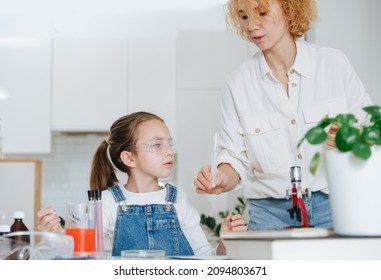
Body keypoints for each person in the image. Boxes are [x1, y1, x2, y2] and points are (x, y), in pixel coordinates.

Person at [193, 0, 373, 230]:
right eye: (244, 16)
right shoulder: (237, 83)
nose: (251, 26)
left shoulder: (333, 64)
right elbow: (234, 158)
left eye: (262, 13)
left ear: (289, 10)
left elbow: (368, 132)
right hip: (269, 214)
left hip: (335, 204)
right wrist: (220, 179)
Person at [37, 111, 246, 256]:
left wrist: (225, 244)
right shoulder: (109, 202)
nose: (169, 151)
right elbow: (85, 254)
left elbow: (205, 258)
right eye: (157, 145)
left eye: (169, 143)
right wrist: (56, 234)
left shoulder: (178, 199)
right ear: (129, 158)